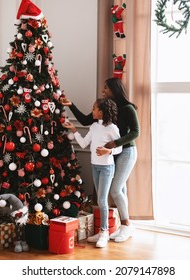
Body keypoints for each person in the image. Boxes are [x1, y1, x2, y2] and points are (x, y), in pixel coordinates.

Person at [61, 77, 139, 243]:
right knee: (121, 190)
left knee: (116, 189)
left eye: (106, 88)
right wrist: (70, 105)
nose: (103, 91)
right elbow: (84, 121)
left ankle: (126, 224)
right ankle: (124, 226)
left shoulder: (128, 108)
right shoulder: (106, 108)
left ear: (114, 89)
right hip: (110, 153)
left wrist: (113, 144)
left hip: (126, 151)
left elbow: (135, 132)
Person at [62, 98, 122, 248]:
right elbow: (83, 144)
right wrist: (74, 129)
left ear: (101, 112)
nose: (92, 111)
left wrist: (109, 150)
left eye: (94, 108)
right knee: (99, 200)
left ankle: (104, 232)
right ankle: (102, 232)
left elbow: (120, 147)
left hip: (107, 168)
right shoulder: (94, 126)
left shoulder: (112, 128)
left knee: (102, 200)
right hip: (95, 166)